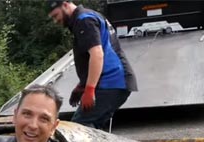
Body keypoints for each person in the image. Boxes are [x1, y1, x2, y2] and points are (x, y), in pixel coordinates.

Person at [47, 0, 137, 131]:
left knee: (79, 127)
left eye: (56, 15)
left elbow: (97, 54)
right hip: (115, 82)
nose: (56, 21)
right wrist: (81, 85)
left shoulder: (84, 20)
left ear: (65, 5)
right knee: (95, 127)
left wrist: (89, 90)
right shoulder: (90, 15)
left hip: (110, 82)